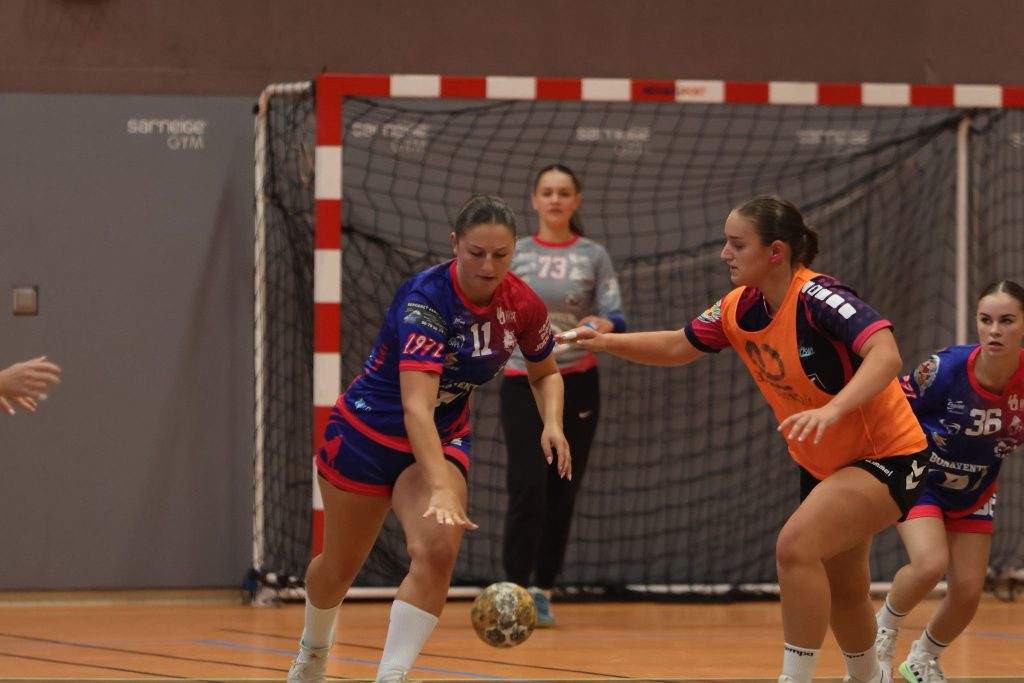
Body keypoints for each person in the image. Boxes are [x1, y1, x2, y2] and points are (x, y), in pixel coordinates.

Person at [558, 194, 929, 683]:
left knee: (794, 547)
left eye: (737, 244)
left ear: (775, 251)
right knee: (844, 586)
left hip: (889, 454)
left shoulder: (819, 298)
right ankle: (870, 678)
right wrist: (603, 341)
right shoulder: (738, 307)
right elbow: (677, 344)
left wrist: (833, 409)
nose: (724, 254)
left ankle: (793, 679)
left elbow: (886, 354)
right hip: (825, 463)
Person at [286, 194, 571, 683]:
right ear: (455, 244)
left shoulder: (522, 303)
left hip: (440, 440)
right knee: (338, 568)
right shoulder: (425, 299)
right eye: (476, 253)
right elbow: (416, 406)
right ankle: (313, 652)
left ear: (514, 251)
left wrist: (552, 423)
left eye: (500, 255)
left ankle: (391, 676)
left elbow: (545, 373)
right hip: (366, 436)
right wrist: (440, 486)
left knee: (438, 550)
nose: (488, 266)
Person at [873, 280, 1024, 683]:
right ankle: (881, 635)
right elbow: (892, 404)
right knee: (929, 563)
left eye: (1007, 321)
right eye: (986, 320)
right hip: (920, 478)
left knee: (968, 593)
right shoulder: (946, 369)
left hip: (976, 490)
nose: (994, 330)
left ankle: (922, 659)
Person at [500, 163, 626, 627]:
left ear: (576, 201)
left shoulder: (593, 254)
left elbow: (615, 314)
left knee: (561, 487)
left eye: (563, 192)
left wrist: (600, 324)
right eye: (547, 192)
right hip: (522, 377)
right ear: (534, 200)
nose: (555, 199)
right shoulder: (514, 252)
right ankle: (513, 590)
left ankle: (542, 589)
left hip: (577, 378)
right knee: (527, 485)